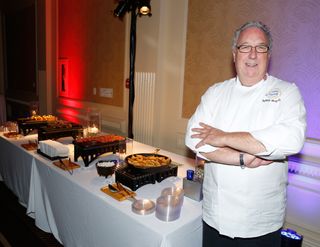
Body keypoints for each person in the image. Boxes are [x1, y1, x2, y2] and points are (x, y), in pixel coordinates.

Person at [185, 21, 306, 247]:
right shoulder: (216, 92)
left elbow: (291, 139)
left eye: (260, 47)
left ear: (268, 55)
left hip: (260, 224)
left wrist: (223, 137)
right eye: (244, 47)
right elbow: (193, 139)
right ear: (234, 54)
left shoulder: (287, 92)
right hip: (215, 216)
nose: (252, 54)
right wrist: (241, 157)